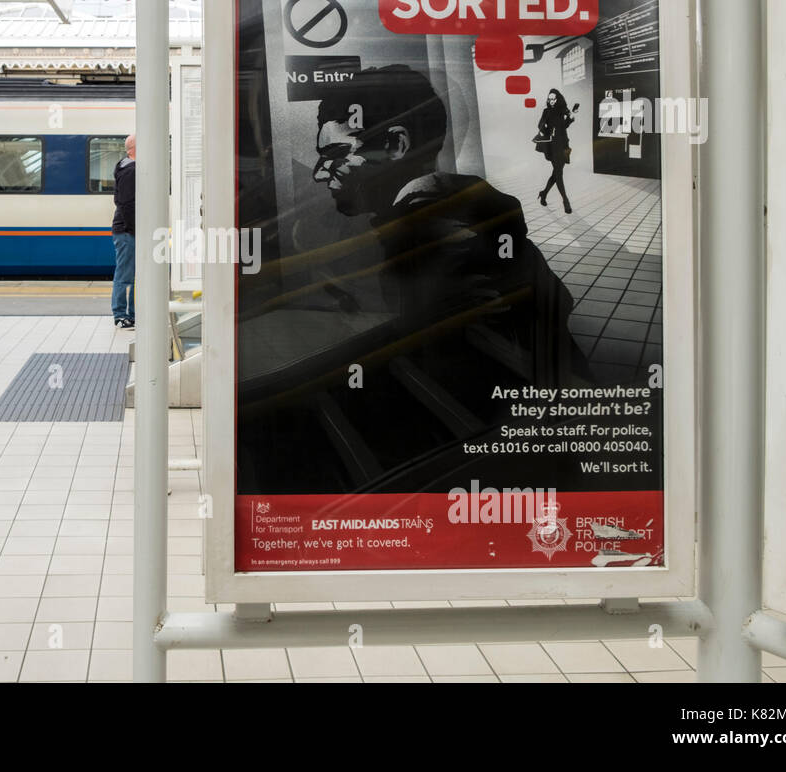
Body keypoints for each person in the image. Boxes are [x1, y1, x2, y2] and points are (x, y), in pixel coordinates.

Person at [237, 64, 588, 495]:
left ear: (397, 145)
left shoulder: (430, 234)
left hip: (477, 449)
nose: (319, 174)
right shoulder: (463, 204)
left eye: (334, 156)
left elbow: (415, 341)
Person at [535, 88, 578, 214]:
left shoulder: (562, 110)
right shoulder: (546, 111)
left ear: (557, 99)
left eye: (553, 99)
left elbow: (564, 125)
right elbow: (540, 125)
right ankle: (566, 201)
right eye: (550, 99)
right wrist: (545, 127)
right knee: (559, 174)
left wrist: (571, 118)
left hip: (564, 144)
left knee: (556, 173)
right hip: (553, 146)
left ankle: (543, 194)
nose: (551, 101)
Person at [111, 134, 136, 330]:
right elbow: (126, 203)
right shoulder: (130, 171)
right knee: (125, 274)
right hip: (128, 231)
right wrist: (135, 228)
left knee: (133, 274)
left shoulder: (125, 166)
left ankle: (133, 313)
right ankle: (120, 314)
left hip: (128, 230)